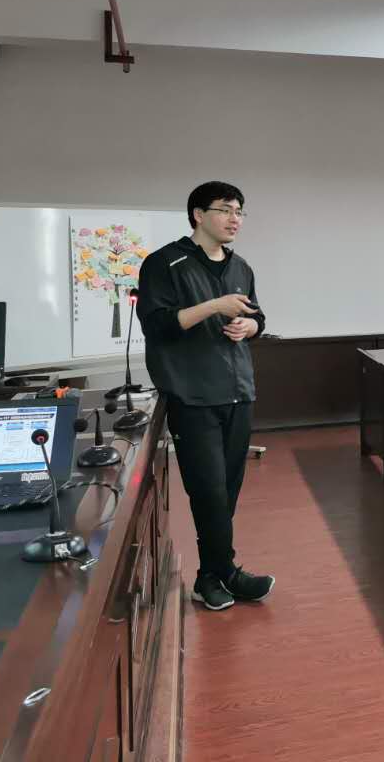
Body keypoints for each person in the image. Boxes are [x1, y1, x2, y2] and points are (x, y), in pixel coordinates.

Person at [136, 181, 273, 612]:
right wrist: (215, 306)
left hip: (238, 391)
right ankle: (218, 573)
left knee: (227, 490)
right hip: (192, 394)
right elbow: (157, 325)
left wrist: (250, 326)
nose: (235, 219)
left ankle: (215, 574)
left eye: (240, 211)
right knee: (209, 491)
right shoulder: (164, 263)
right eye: (226, 209)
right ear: (198, 214)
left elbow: (258, 317)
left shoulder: (241, 267)